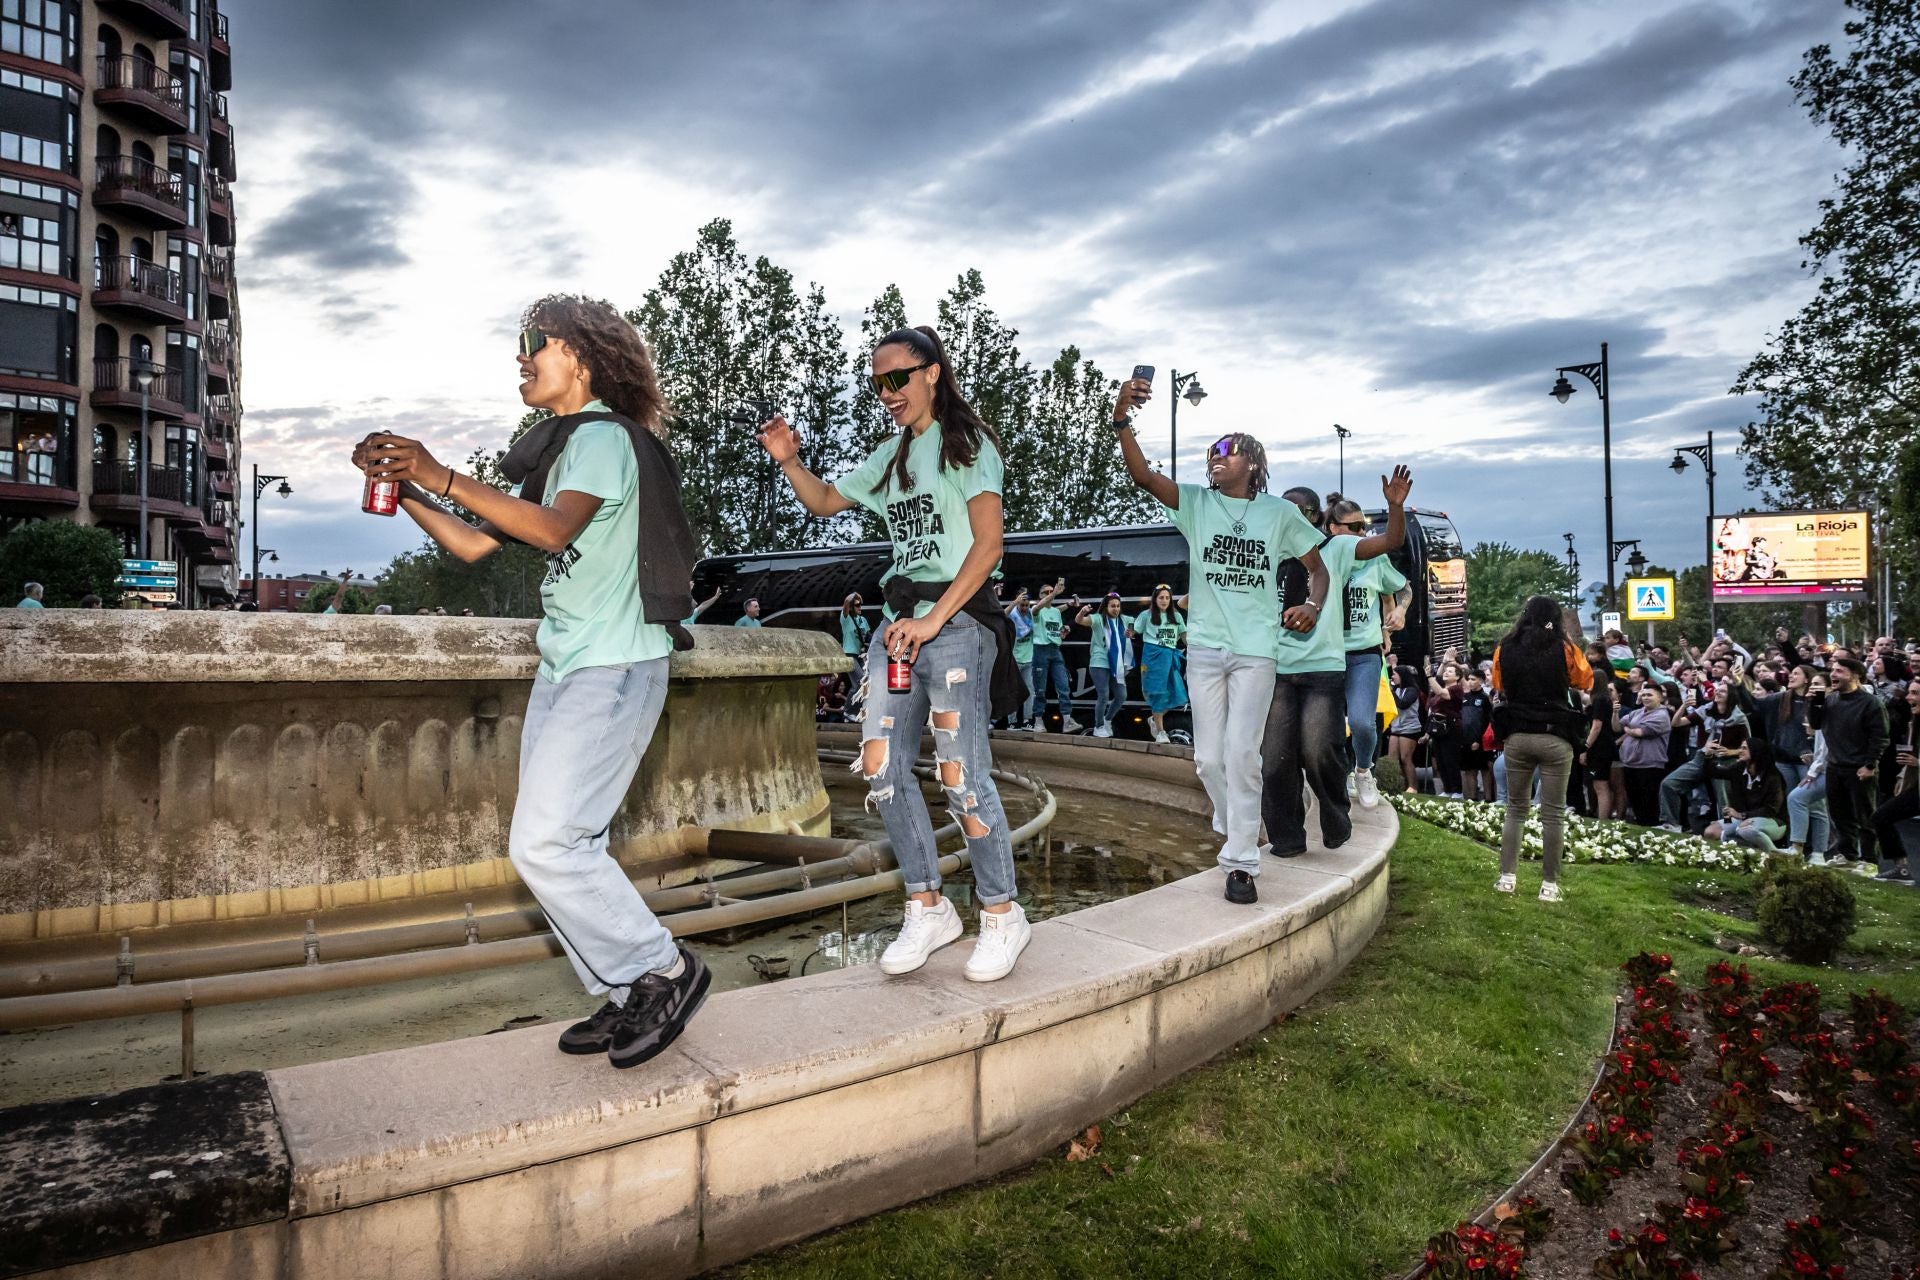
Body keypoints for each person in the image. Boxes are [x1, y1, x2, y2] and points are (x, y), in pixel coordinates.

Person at [353, 292, 707, 1069]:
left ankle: (662, 970)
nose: (521, 355)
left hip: (615, 661)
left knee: (547, 842)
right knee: (557, 842)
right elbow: (477, 546)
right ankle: (625, 993)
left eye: (533, 342)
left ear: (577, 356)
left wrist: (440, 471)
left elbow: (552, 531)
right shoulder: (568, 450)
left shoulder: (605, 437)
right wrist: (409, 488)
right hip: (571, 662)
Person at [758, 324, 1030, 981]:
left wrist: (938, 618)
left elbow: (988, 547)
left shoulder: (968, 445)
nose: (886, 393)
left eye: (897, 378)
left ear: (932, 372)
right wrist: (790, 459)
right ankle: (928, 905)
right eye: (877, 382)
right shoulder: (892, 456)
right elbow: (825, 501)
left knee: (961, 773)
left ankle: (1002, 913)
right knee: (881, 767)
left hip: (958, 625)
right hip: (896, 628)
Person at [1111, 374, 1326, 903]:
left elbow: (1317, 570)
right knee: (1208, 759)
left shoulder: (1279, 514)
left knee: (1241, 753)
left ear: (1252, 461)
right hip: (1205, 648)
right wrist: (1121, 417)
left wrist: (1311, 604)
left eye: (1227, 452)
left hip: (1256, 652)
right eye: (1212, 453)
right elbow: (1142, 475)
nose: (1216, 459)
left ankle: (1241, 864)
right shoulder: (1197, 505)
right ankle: (1237, 823)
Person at [1264, 475, 1411, 858]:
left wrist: (1395, 506)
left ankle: (1334, 818)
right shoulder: (1268, 553)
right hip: (1276, 669)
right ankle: (1287, 838)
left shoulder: (1338, 548)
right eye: (1282, 509)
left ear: (1315, 517)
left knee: (1319, 751)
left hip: (1322, 669)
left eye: (1298, 510)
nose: (1287, 516)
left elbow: (1390, 542)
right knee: (1276, 761)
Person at [1491, 595, 1594, 901]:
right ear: (1555, 618)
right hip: (1555, 736)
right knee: (1553, 814)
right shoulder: (1564, 648)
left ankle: (1507, 878)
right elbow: (1584, 680)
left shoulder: (1504, 648)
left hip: (1518, 735)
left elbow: (1499, 684)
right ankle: (1549, 886)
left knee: (1516, 809)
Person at [1327, 497, 1407, 808]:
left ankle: (1363, 770)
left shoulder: (1376, 560)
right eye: (1356, 527)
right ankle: (1338, 774)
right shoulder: (1323, 557)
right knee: (1329, 726)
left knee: (1361, 722)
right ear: (1333, 529)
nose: (1363, 532)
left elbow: (1402, 589)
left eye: (1366, 526)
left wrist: (1398, 611)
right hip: (1328, 653)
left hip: (1364, 653)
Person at [1823, 656, 1888, 869]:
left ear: (1855, 676)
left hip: (1860, 767)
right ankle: (1848, 855)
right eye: (1833, 670)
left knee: (1865, 816)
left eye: (1839, 671)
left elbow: (1880, 737)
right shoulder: (1830, 700)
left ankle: (1869, 861)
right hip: (1835, 765)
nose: (1833, 674)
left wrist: (1870, 764)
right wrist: (1813, 703)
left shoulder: (1870, 703)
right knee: (1840, 814)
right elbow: (1815, 724)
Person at [1869, 678, 1920, 881]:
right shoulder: (1913, 723)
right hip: (1914, 784)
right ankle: (1902, 868)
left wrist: (1918, 762)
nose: (1909, 697)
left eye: (1915, 693)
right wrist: (1902, 776)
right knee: (1881, 817)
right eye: (1910, 692)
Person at [1703, 736, 1789, 854]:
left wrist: (1741, 814)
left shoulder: (1773, 777)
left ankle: (1775, 854)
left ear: (1755, 751)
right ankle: (1745, 844)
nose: (1740, 750)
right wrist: (1708, 755)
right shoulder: (1739, 768)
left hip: (1772, 821)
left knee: (1745, 829)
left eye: (1744, 748)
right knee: (1710, 832)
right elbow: (1713, 773)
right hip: (1742, 819)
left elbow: (1771, 809)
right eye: (1740, 747)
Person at [1074, 592, 1133, 738]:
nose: (1116, 609)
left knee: (1121, 695)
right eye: (1112, 606)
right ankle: (1098, 726)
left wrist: (1131, 632)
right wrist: (1082, 612)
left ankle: (1107, 720)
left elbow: (1138, 625)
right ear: (1106, 607)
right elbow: (1079, 621)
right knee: (1104, 695)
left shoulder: (1125, 620)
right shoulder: (1098, 619)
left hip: (1117, 663)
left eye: (1118, 606)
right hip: (1099, 662)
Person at [1135, 584, 1188, 744]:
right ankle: (1161, 732)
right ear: (1155, 599)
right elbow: (1134, 630)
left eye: (1167, 597)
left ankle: (1153, 719)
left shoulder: (1176, 616)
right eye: (1161, 597)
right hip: (1152, 657)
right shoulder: (1146, 615)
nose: (1164, 600)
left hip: (1170, 657)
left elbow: (1184, 637)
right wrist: (1128, 630)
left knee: (1178, 695)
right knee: (1158, 693)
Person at [1614, 684, 1673, 825]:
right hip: (1630, 763)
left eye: (1650, 695)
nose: (1646, 698)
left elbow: (1639, 733)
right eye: (1644, 695)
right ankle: (1641, 825)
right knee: (1635, 800)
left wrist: (1628, 728)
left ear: (1660, 697)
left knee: (1648, 802)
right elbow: (1616, 727)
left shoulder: (1662, 715)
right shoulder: (1638, 712)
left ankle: (1650, 828)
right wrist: (1615, 713)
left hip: (1650, 764)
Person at [1028, 577, 1078, 733]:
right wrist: (1055, 593)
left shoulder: (1055, 611)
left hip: (1055, 650)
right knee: (1040, 689)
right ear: (1040, 596)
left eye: (1051, 591)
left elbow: (1058, 630)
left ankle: (1067, 721)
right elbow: (1040, 607)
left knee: (1063, 686)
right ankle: (1038, 721)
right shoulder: (1035, 610)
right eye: (1046, 592)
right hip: (1040, 650)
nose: (1049, 594)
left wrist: (1064, 631)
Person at [1581, 641, 1622, 820]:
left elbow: (1596, 726)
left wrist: (1586, 746)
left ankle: (1603, 819)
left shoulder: (1600, 700)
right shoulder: (1601, 699)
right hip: (1604, 745)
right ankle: (1601, 816)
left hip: (1600, 747)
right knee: (1599, 784)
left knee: (1601, 785)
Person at [1456, 667, 1495, 802]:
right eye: (1469, 679)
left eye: (1473, 679)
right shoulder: (1465, 698)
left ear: (1481, 681)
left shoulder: (1485, 699)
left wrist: (1478, 740)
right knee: (1469, 770)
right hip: (1465, 740)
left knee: (1485, 770)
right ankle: (1472, 798)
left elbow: (1486, 722)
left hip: (1480, 741)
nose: (1470, 682)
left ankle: (1488, 798)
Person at [1386, 664, 1426, 793]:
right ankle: (1397, 786)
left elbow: (1403, 704)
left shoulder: (1412, 690)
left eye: (1395, 674)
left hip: (1409, 728)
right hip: (1395, 727)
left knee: (1405, 758)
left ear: (1402, 676)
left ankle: (1413, 787)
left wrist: (1391, 690)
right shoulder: (1396, 690)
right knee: (1392, 759)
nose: (1392, 677)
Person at [839, 593, 871, 662]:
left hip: (861, 655)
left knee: (866, 673)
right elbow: (847, 601)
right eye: (857, 605)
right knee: (859, 673)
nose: (860, 607)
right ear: (850, 608)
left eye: (860, 605)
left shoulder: (863, 619)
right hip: (849, 655)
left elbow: (869, 637)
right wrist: (855, 594)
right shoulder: (846, 618)